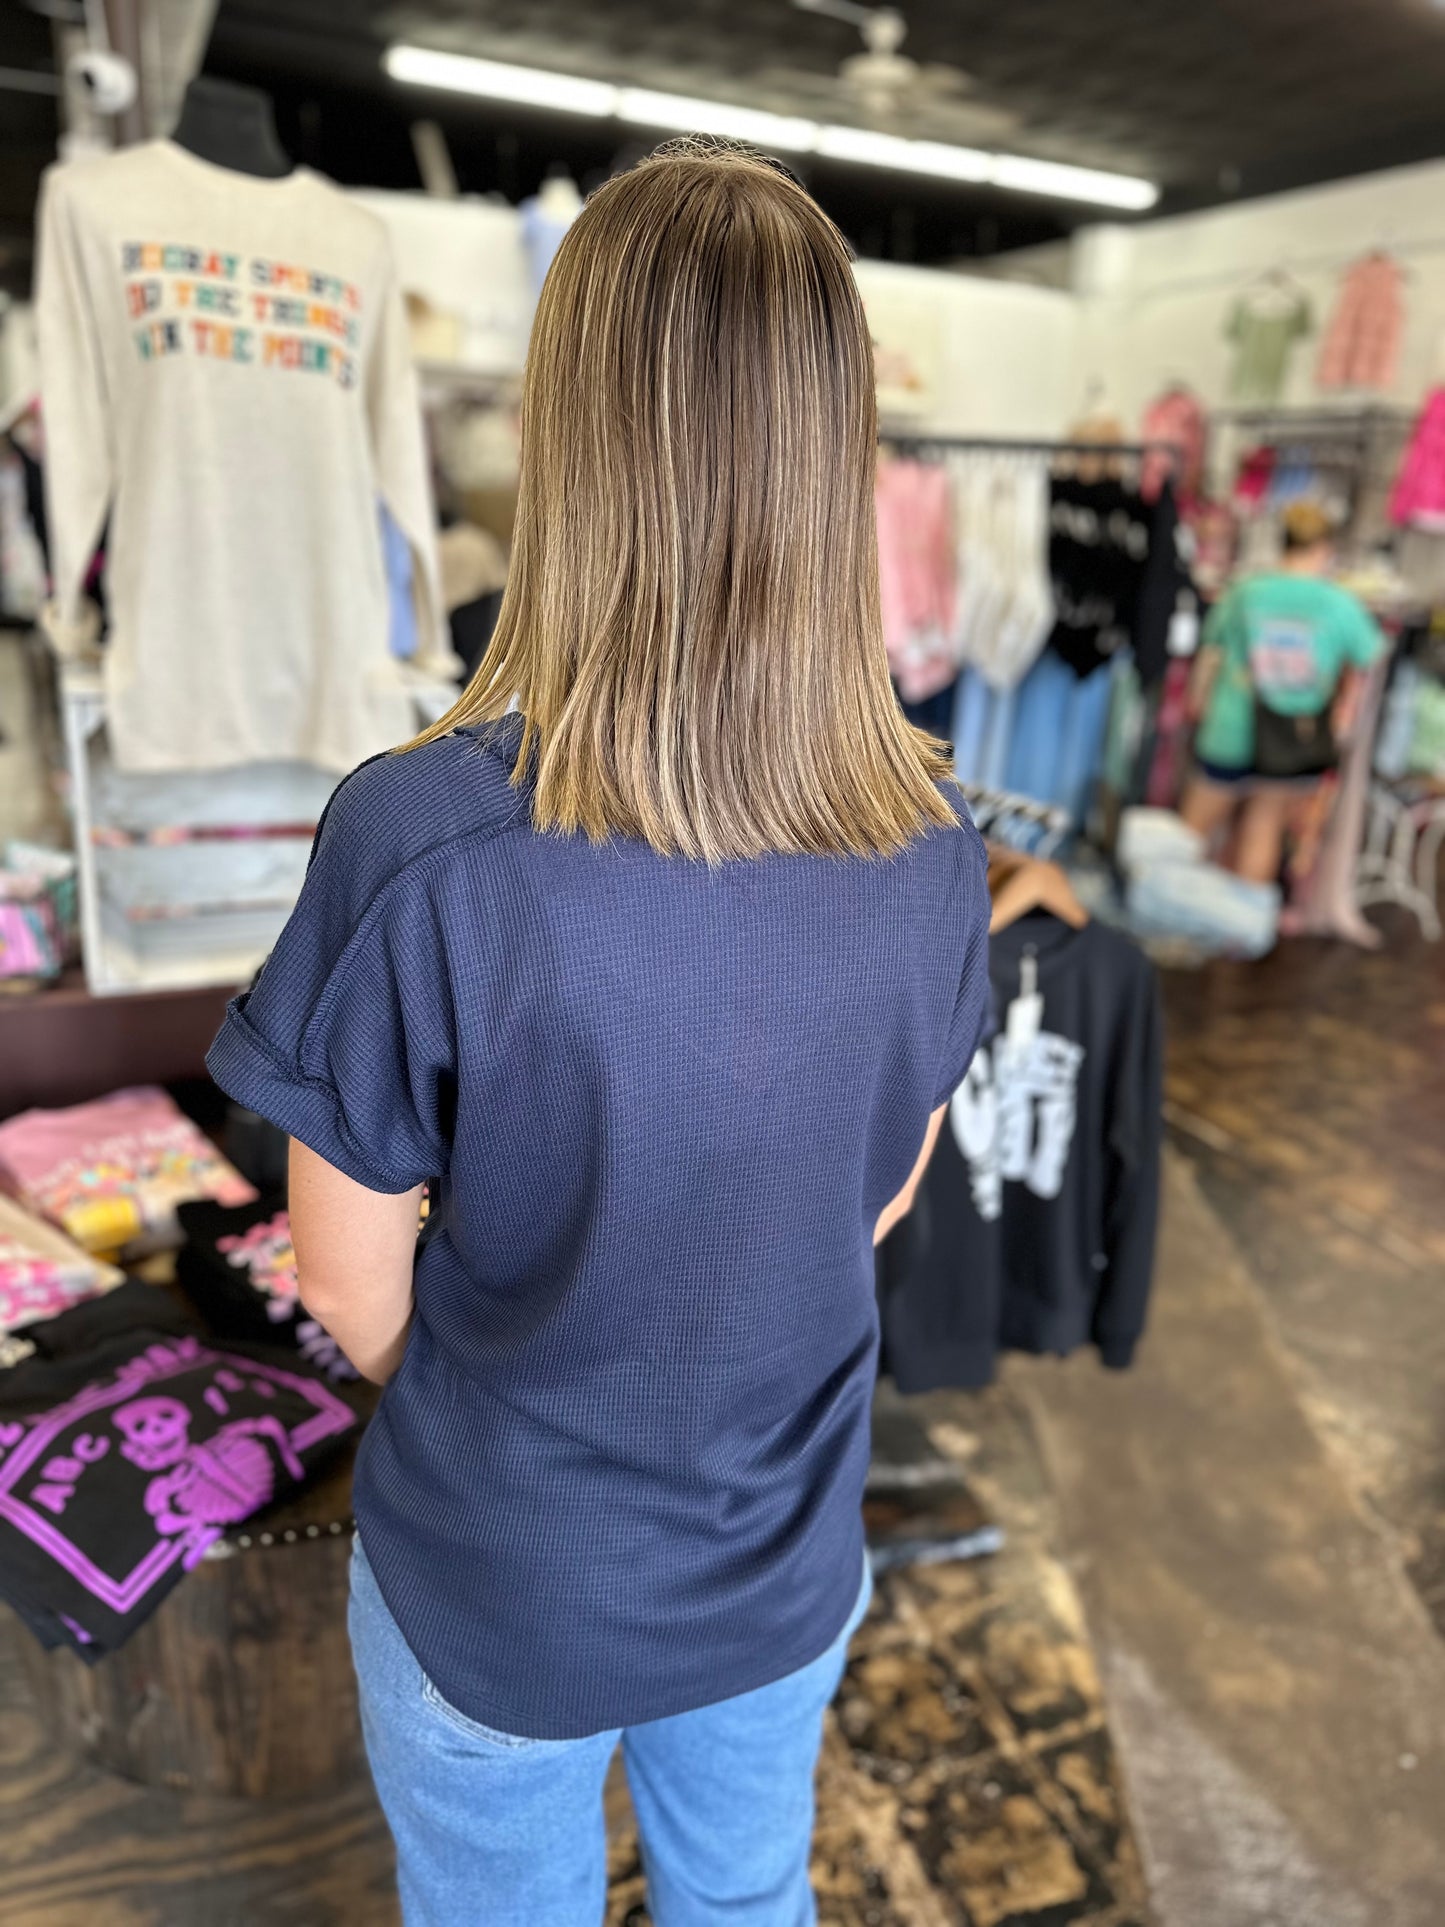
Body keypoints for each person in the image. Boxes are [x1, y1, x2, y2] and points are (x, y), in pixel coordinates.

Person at [207, 141, 989, 1927]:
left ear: (572, 442)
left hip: (499, 1578)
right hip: (781, 1558)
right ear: (830, 450)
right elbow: (874, 1193)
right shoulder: (939, 836)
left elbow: (344, 1280)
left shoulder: (424, 838)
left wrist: (516, 1416)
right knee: (747, 1903)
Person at [1180, 499, 1384, 883]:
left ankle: (1167, 920)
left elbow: (1210, 655)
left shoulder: (1244, 590)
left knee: (1191, 833)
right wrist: (1340, 711)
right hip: (1295, 736)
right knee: (1264, 828)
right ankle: (1241, 936)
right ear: (1325, 548)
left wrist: (1196, 703)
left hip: (1230, 725)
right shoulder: (1341, 603)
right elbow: (1367, 660)